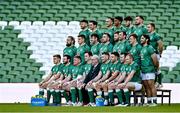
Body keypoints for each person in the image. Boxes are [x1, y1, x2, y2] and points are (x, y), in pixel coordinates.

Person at [140, 34, 159, 106]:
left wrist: (155, 68)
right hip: (143, 70)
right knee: (146, 86)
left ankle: (154, 101)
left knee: (151, 85)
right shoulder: (142, 48)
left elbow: (155, 59)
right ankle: (149, 101)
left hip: (150, 70)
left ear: (147, 39)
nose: (141, 39)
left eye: (142, 38)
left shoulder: (149, 48)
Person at [147, 22, 163, 88]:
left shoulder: (156, 35)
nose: (147, 28)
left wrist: (160, 53)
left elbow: (160, 44)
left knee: (157, 68)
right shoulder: (148, 35)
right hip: (150, 54)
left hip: (155, 54)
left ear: (153, 27)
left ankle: (159, 83)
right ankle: (155, 82)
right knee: (153, 69)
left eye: (149, 27)